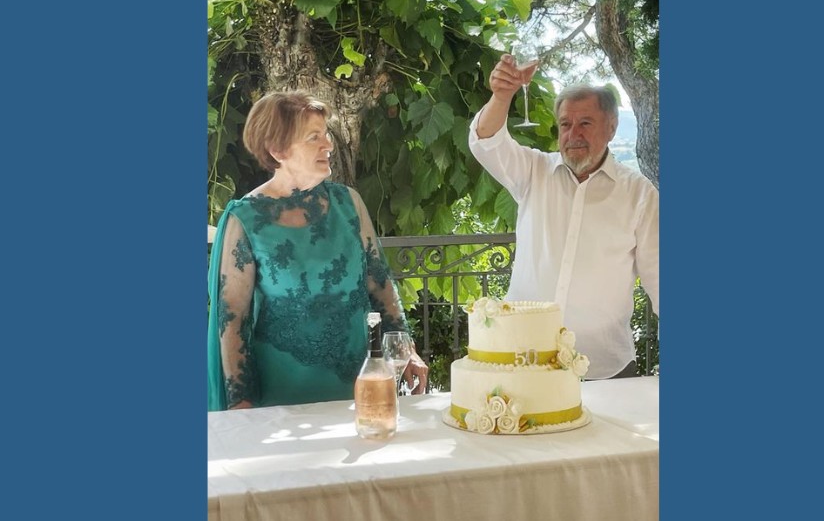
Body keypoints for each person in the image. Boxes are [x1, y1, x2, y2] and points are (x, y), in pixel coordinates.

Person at [208, 90, 428, 410]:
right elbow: (232, 321)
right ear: (278, 149)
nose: (328, 145)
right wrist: (240, 403)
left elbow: (380, 283)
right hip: (278, 402)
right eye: (314, 137)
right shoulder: (245, 219)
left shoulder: (348, 203)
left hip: (358, 389)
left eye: (325, 135)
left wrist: (404, 347)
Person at [468, 54, 659, 380]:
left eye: (585, 123)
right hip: (524, 361)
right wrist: (502, 96)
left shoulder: (639, 195)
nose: (573, 134)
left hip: (605, 369)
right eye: (566, 124)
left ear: (612, 127)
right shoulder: (533, 172)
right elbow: (486, 143)